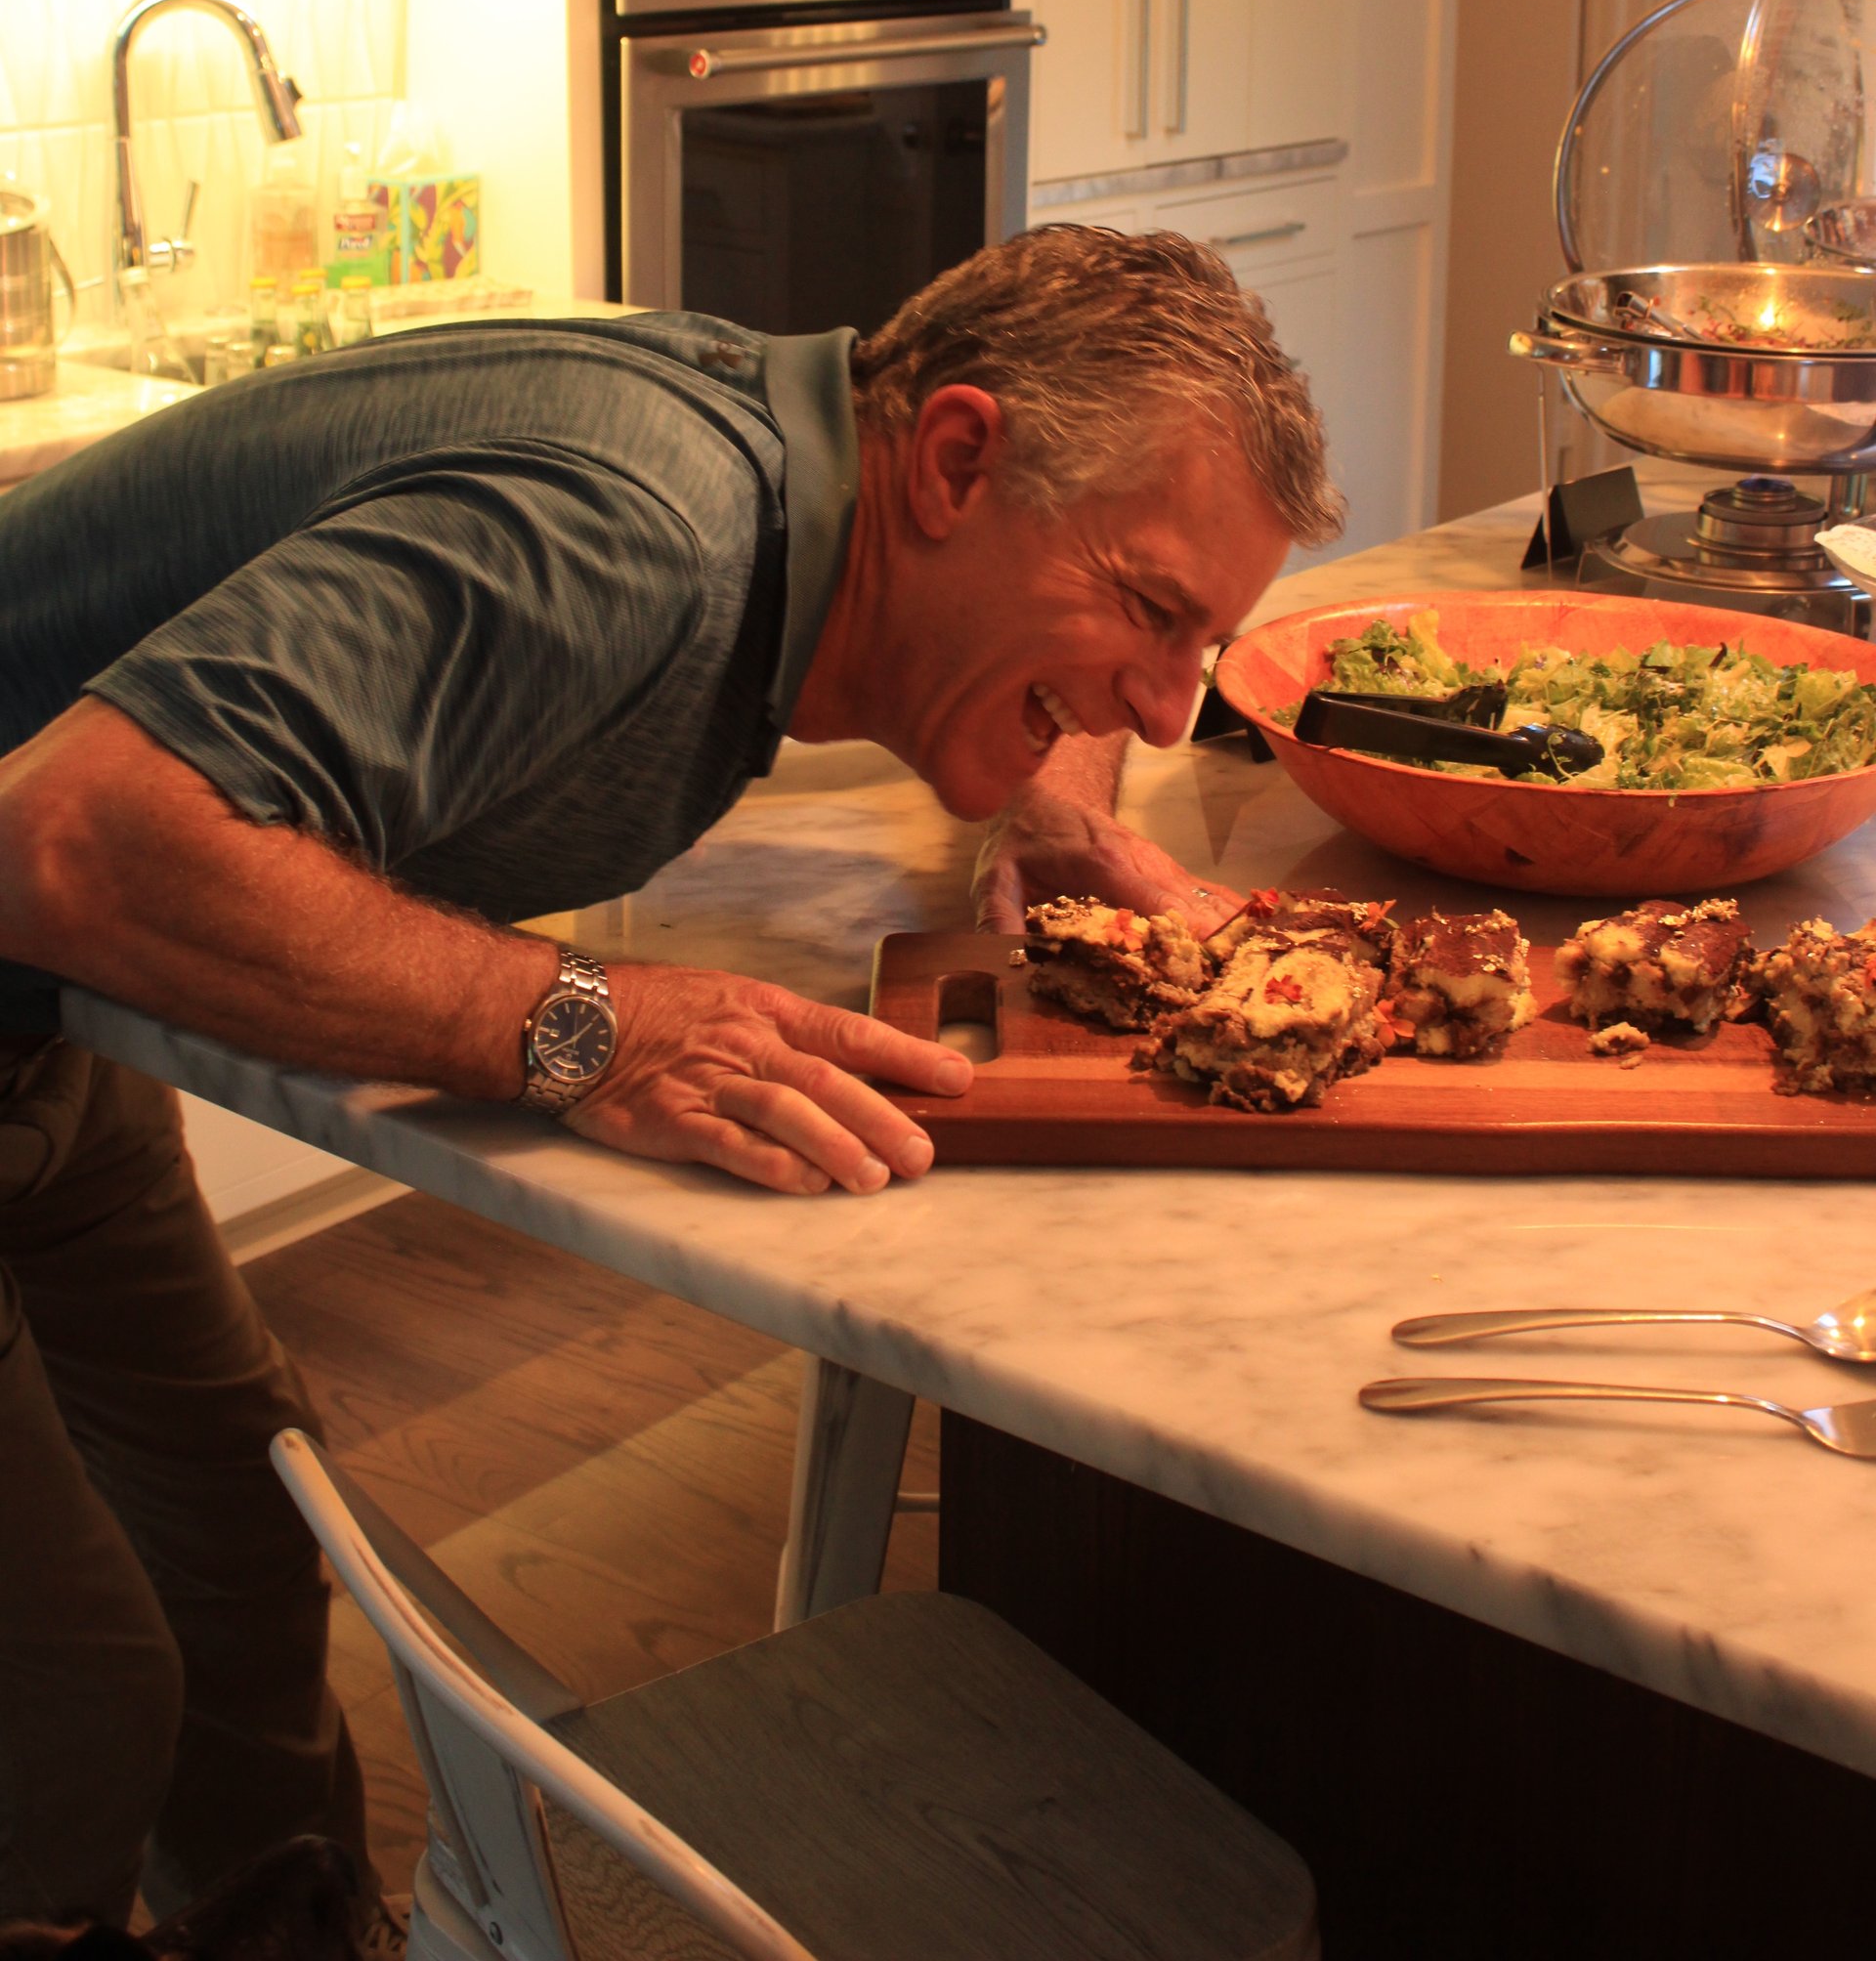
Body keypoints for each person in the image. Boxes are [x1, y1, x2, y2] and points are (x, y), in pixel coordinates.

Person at [0, 223, 1339, 1928]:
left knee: (231, 1577)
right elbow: (74, 842)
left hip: (49, 1042)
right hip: (41, 924)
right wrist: (589, 1026)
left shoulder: (809, 460)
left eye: (1199, 648)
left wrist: (1056, 799)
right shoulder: (641, 533)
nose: (1165, 716)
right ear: (950, 461)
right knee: (66, 1718)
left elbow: (1086, 555)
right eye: (1152, 618)